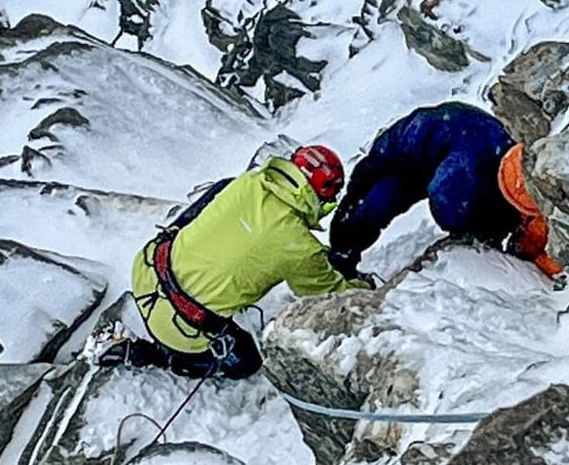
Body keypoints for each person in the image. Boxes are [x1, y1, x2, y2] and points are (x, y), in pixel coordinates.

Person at [99, 145, 371, 380]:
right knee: (247, 362)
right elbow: (332, 296)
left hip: (147, 268)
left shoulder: (247, 182)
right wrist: (365, 287)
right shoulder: (300, 247)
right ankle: (161, 357)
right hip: (180, 329)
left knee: (219, 193)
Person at [329, 102, 564, 278]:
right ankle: (341, 258)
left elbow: (452, 199)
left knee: (366, 209)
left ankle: (343, 251)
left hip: (441, 142)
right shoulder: (468, 171)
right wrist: (481, 231)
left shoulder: (487, 169)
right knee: (369, 210)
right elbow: (447, 201)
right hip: (409, 159)